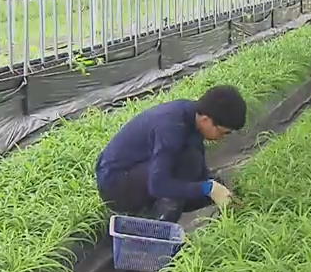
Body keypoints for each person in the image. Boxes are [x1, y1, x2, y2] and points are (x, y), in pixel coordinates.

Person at [95, 85, 246, 223]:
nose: (222, 138)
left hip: (140, 170)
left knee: (193, 166)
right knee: (181, 173)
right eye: (223, 132)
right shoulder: (171, 129)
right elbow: (158, 185)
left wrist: (220, 189)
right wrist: (208, 188)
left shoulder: (194, 117)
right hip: (116, 184)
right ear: (207, 120)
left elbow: (200, 171)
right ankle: (154, 233)